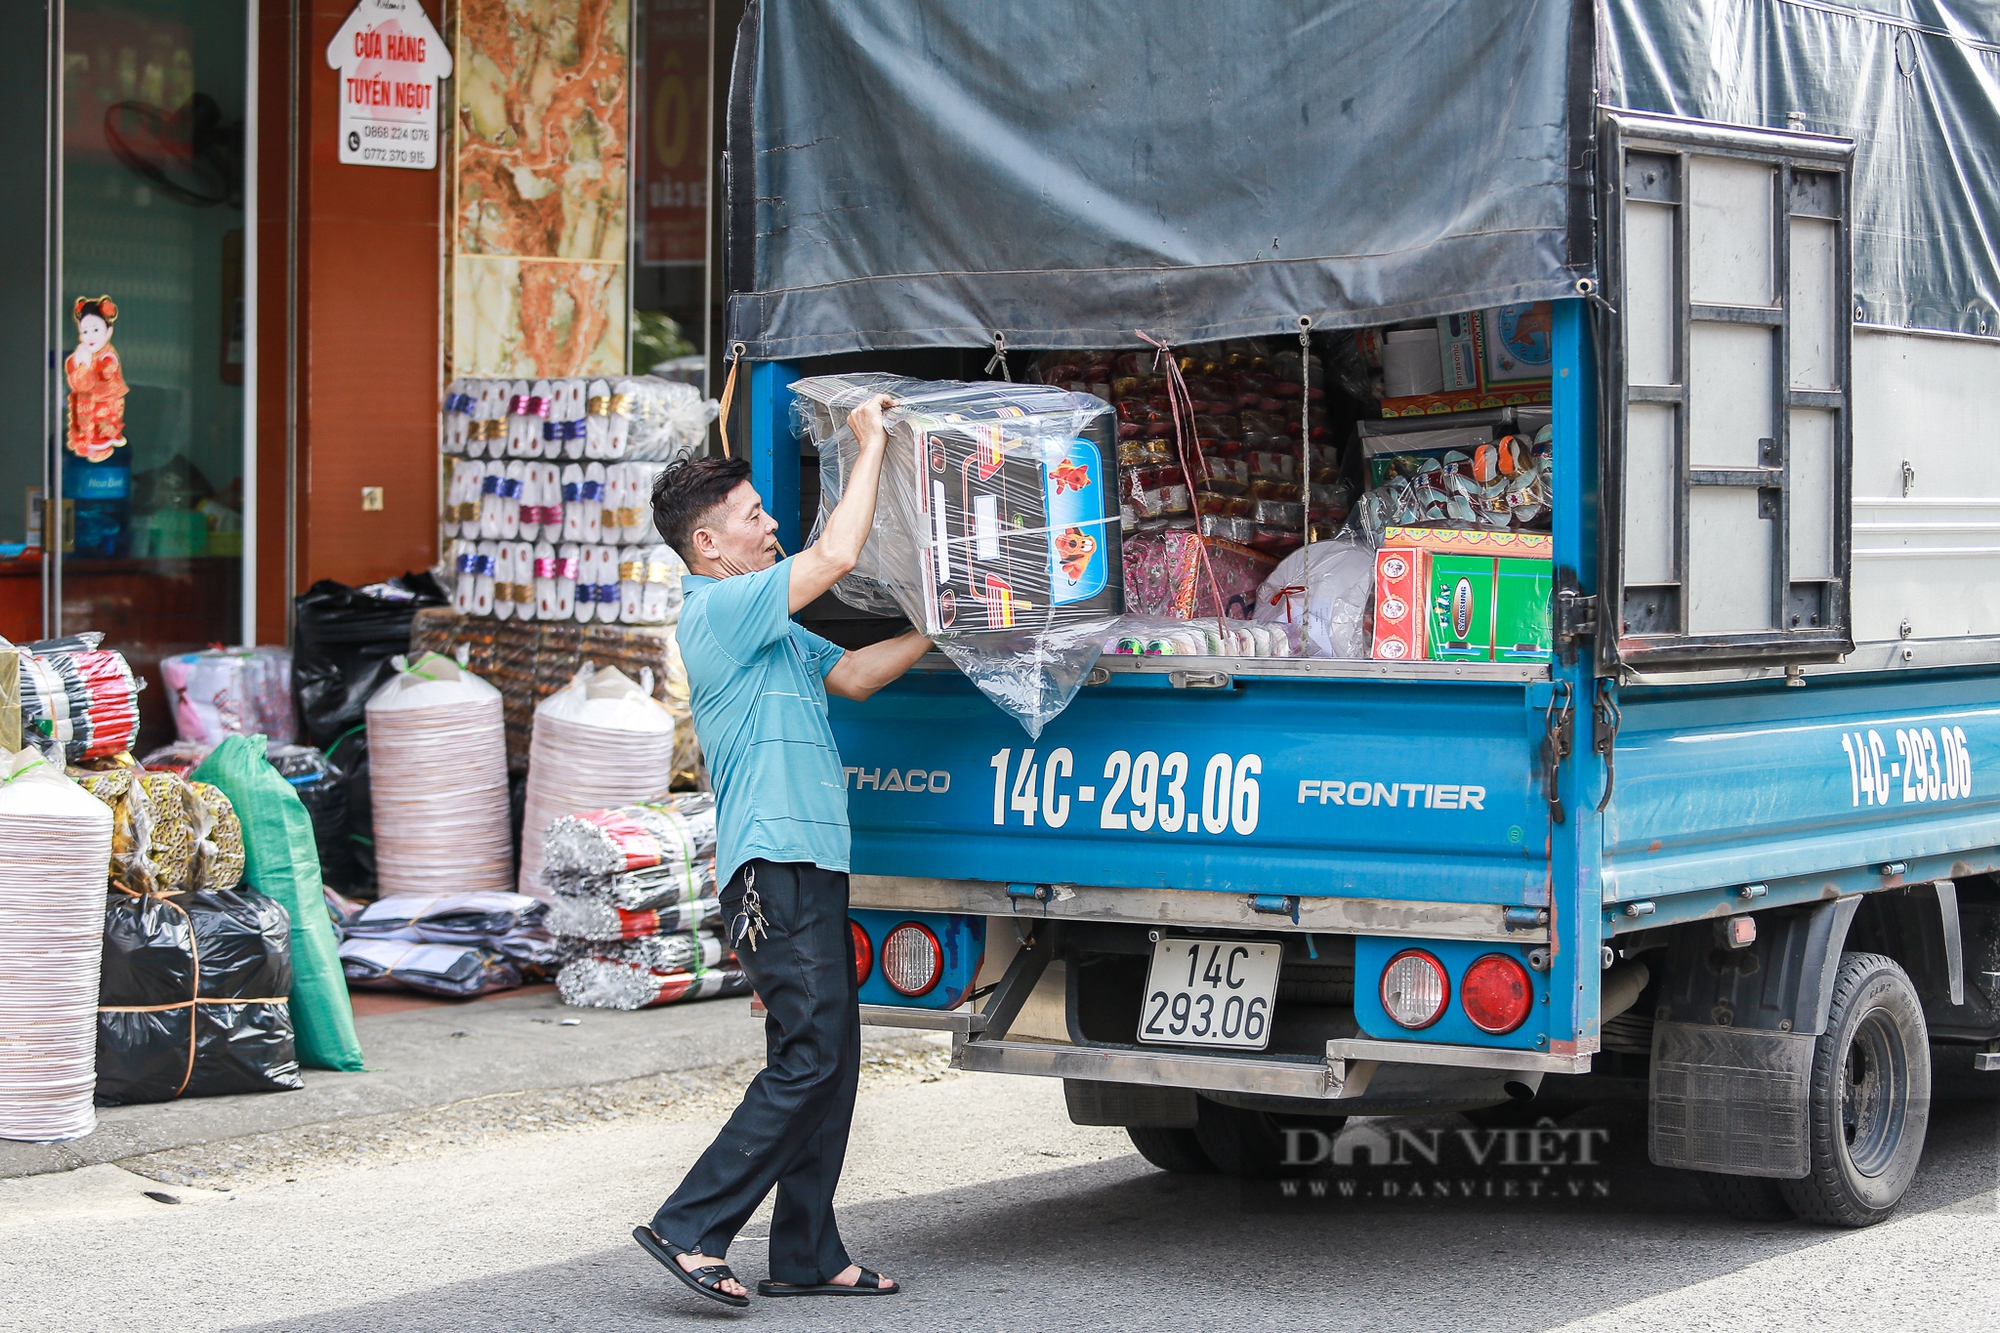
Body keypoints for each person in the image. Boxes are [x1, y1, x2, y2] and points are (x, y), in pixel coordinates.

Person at [633, 392, 931, 1308]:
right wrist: (870, 441)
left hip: (808, 865)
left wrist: (943, 620)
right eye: (753, 516)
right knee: (807, 1058)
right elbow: (836, 554)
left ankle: (806, 1248)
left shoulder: (769, 628)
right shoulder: (719, 615)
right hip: (774, 871)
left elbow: (855, 674)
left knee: (829, 1060)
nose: (771, 525)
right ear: (709, 545)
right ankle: (690, 1224)